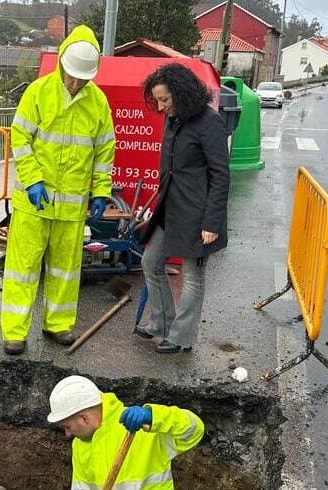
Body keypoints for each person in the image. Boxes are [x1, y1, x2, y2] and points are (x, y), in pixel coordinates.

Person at [0, 25, 115, 355]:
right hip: (33, 202)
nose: (75, 82)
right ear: (62, 62)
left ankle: (58, 324)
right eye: (71, 74)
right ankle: (15, 331)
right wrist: (33, 180)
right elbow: (19, 139)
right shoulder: (38, 93)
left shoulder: (98, 104)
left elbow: (105, 152)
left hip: (72, 206)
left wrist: (101, 191)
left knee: (65, 268)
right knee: (23, 268)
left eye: (83, 77)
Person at [134, 63, 230, 354]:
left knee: (192, 277)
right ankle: (161, 324)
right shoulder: (174, 119)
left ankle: (181, 337)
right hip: (170, 208)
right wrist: (153, 205)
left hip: (199, 214)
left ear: (182, 93)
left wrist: (211, 223)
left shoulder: (209, 122)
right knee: (150, 262)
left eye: (165, 99)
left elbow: (221, 174)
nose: (161, 106)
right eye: (158, 100)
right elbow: (171, 169)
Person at [47, 375, 204, 489]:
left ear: (84, 419)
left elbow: (194, 430)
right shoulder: (80, 446)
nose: (67, 434)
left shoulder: (142, 428)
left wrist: (154, 417)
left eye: (67, 426)